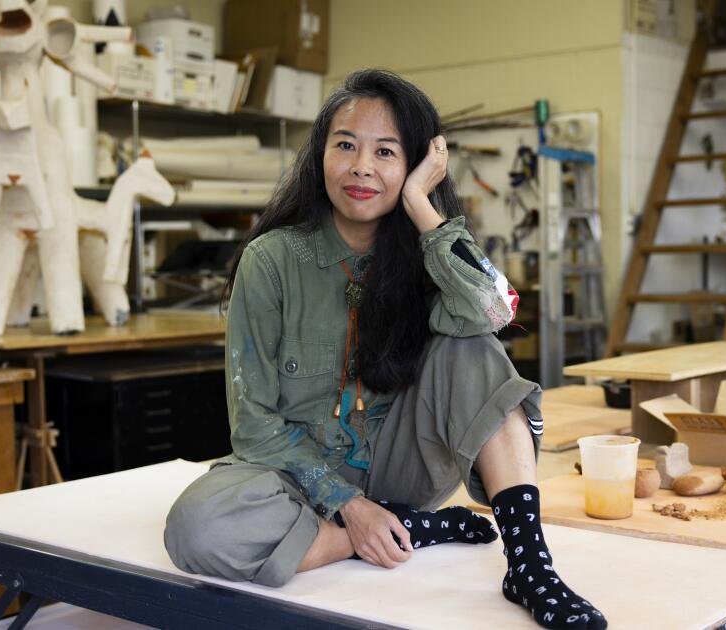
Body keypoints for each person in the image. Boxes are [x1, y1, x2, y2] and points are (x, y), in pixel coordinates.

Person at [163, 69, 606, 630]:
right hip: (297, 477)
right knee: (197, 528)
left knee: (473, 350)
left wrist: (421, 204)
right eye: (345, 145)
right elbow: (253, 427)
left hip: (402, 463)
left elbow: (496, 311)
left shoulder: (428, 253)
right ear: (320, 155)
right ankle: (393, 530)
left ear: (415, 163)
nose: (361, 167)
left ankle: (529, 567)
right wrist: (349, 506)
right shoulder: (270, 261)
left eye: (386, 152)